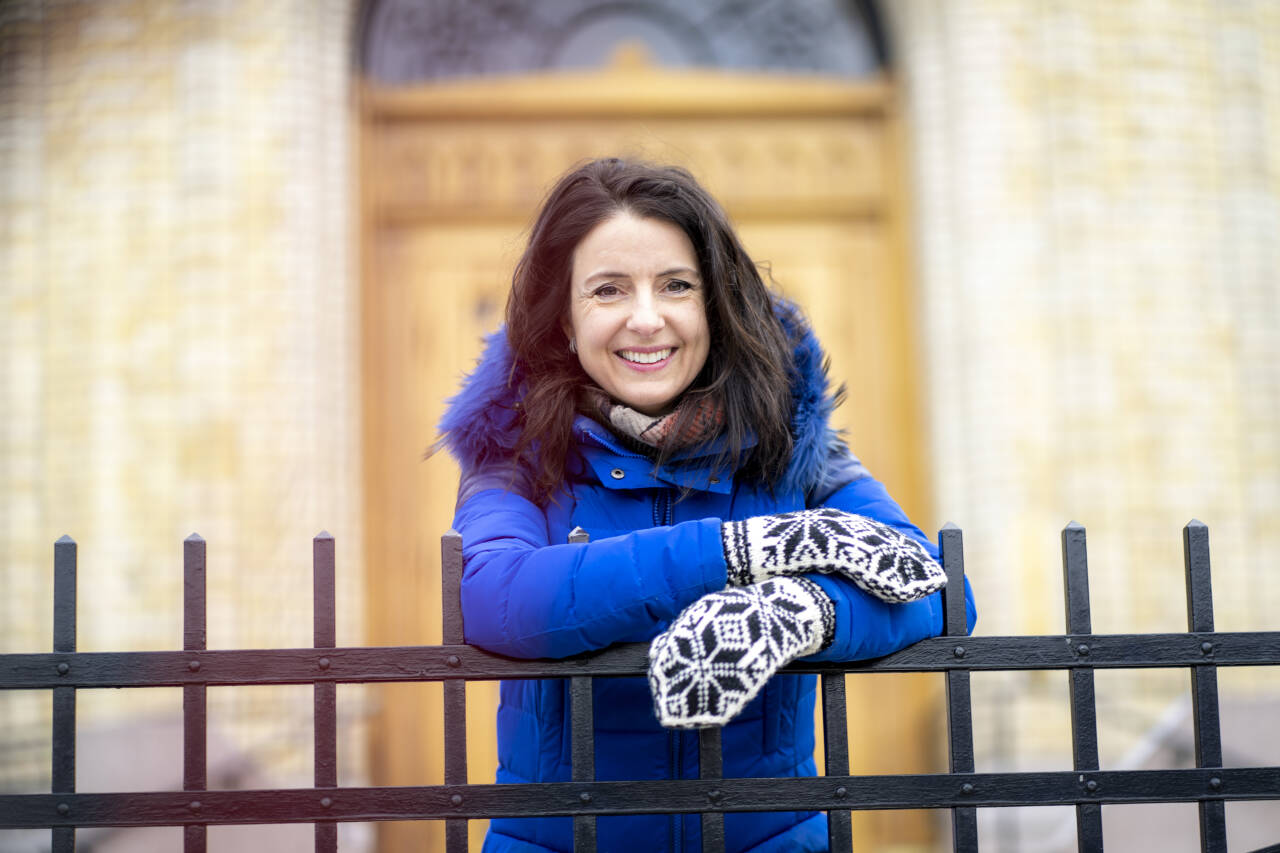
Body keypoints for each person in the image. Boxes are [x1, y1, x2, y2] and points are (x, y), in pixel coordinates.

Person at [437, 157, 976, 853]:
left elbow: (939, 586)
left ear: (714, 306)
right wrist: (741, 553)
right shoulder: (513, 448)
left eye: (676, 286)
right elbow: (493, 596)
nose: (647, 318)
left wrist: (799, 611)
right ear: (565, 320)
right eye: (607, 290)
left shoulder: (793, 442)